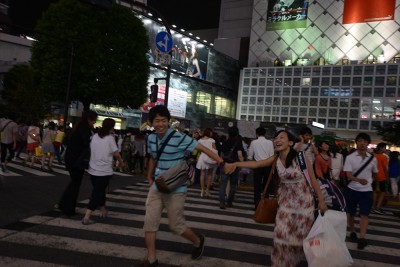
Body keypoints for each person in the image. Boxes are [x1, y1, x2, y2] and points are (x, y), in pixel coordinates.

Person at [224, 130, 327, 267]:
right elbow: (257, 164)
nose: (277, 140)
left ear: (290, 142)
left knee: (297, 242)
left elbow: (313, 180)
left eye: (282, 138)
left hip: (304, 208)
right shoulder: (275, 159)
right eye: (276, 138)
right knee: (280, 239)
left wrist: (321, 201)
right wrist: (236, 164)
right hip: (284, 207)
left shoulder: (301, 158)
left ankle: (291, 263)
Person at [140, 105, 223, 267]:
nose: (160, 124)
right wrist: (150, 176)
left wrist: (221, 162)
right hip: (158, 186)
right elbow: (153, 157)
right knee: (149, 222)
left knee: (176, 225)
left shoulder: (179, 137)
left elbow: (201, 148)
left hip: (177, 187)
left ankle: (197, 240)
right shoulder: (151, 139)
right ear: (151, 122)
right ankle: (151, 259)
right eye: (157, 121)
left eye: (163, 120)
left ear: (168, 121)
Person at [81, 118, 124, 225]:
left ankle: (102, 209)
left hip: (92, 170)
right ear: (111, 127)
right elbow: (116, 153)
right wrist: (121, 162)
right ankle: (87, 216)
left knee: (99, 190)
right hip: (104, 171)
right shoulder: (110, 138)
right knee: (97, 192)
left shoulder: (95, 136)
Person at [56, 110, 98, 216]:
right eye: (94, 120)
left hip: (71, 159)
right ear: (89, 119)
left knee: (73, 183)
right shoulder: (85, 129)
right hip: (77, 161)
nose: (94, 122)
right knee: (75, 184)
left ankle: (63, 204)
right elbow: (87, 144)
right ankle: (69, 209)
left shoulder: (78, 127)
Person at [344, 132, 378, 250]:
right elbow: (348, 175)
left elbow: (375, 173)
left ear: (368, 144)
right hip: (352, 189)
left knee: (364, 214)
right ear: (356, 143)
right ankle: (353, 231)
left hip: (367, 191)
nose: (362, 143)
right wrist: (358, 180)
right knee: (351, 213)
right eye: (360, 141)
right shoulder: (349, 158)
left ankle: (362, 238)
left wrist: (376, 187)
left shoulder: (373, 159)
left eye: (364, 141)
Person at [247, 126, 275, 209]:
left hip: (257, 165)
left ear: (257, 134)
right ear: (265, 133)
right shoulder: (270, 143)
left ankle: (257, 204)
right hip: (267, 165)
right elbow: (272, 155)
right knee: (267, 185)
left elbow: (250, 156)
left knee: (257, 185)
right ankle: (264, 203)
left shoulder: (254, 142)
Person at [219, 126, 245, 209]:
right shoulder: (238, 143)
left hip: (225, 165)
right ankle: (229, 202)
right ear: (237, 133)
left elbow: (222, 154)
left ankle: (222, 202)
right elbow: (240, 155)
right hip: (234, 165)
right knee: (233, 185)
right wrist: (242, 165)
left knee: (223, 184)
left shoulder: (225, 142)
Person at [196, 127, 217, 198]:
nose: (212, 133)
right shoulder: (212, 140)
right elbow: (214, 150)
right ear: (209, 132)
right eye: (211, 132)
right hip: (210, 158)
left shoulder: (200, 140)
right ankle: (207, 190)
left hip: (202, 158)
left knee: (202, 174)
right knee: (210, 174)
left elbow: (198, 150)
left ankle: (202, 190)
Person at [371, 142, 389, 215]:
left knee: (375, 193)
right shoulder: (383, 157)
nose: (385, 149)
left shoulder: (374, 156)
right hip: (382, 177)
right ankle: (377, 208)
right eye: (384, 147)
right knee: (382, 193)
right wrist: (387, 177)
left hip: (374, 178)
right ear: (381, 148)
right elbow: (386, 169)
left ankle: (372, 207)